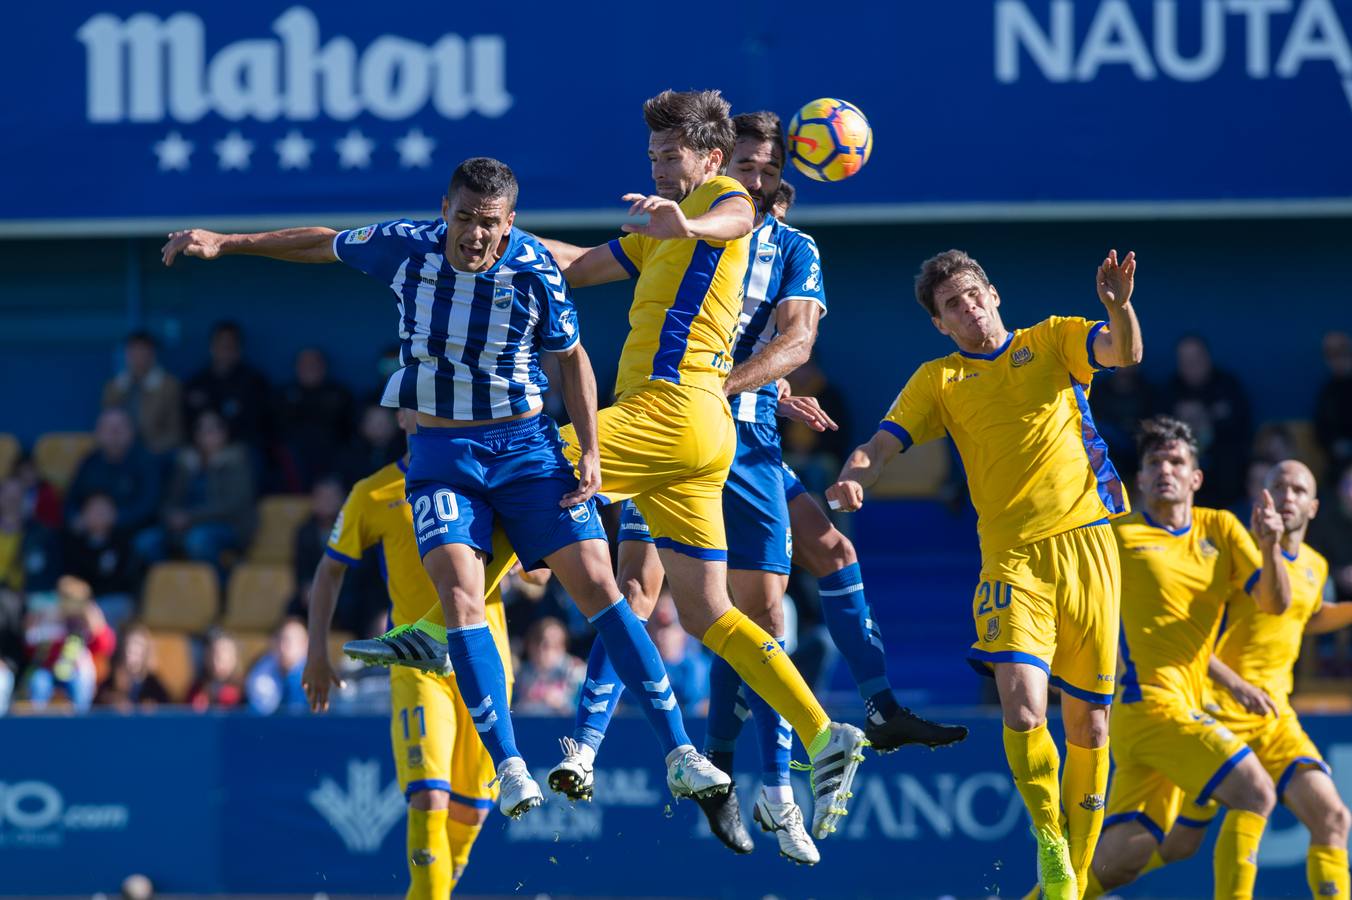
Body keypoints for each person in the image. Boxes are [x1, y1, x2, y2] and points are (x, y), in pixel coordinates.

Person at [162, 154, 730, 821]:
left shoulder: (534, 268)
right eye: (463, 218)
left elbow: (572, 358)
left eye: (488, 223)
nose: (473, 235)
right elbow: (322, 243)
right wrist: (227, 243)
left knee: (602, 588)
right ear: (445, 210)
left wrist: (594, 453)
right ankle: (510, 765)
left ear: (509, 222)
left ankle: (682, 754)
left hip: (528, 450)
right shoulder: (408, 248)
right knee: (461, 595)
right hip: (441, 455)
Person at [556, 110, 959, 862]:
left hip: (738, 439)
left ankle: (775, 785)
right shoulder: (687, 220)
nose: (756, 177)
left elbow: (798, 340)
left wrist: (734, 388)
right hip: (678, 423)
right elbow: (588, 262)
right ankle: (588, 746)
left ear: (784, 179)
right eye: (746, 163)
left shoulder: (791, 248)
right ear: (721, 162)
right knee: (641, 586)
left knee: (759, 608)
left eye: (769, 169)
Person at [826, 248, 1142, 898]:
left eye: (972, 295)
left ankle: (1075, 882)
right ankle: (1051, 842)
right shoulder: (939, 380)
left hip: (1088, 546)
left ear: (992, 293)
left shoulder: (1052, 340)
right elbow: (880, 444)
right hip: (1013, 561)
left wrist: (1118, 305)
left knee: (1091, 726)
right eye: (951, 306)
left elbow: (1123, 351)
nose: (967, 309)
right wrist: (856, 478)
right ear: (941, 324)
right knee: (1024, 710)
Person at [304, 405, 516, 898]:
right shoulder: (372, 492)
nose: (429, 412)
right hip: (417, 663)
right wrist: (317, 651)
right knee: (428, 797)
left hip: (486, 659)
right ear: (401, 418)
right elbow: (330, 569)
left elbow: (531, 556)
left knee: (470, 811)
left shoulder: (479, 477)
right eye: (418, 404)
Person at [1083, 417, 1290, 900]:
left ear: (1196, 477)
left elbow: (1275, 604)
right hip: (1150, 705)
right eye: (1155, 462)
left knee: (1120, 862)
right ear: (1139, 478)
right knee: (1256, 792)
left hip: (1176, 710)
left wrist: (1271, 545)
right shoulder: (1118, 536)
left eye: (1177, 461)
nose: (1165, 470)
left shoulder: (1221, 528)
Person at [1146, 460, 1352, 900]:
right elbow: (1189, 631)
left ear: (1314, 507)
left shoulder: (1316, 566)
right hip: (1218, 709)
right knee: (1175, 844)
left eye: (1298, 490)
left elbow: (1306, 619)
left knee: (1333, 817)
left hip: (1276, 718)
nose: (1287, 496)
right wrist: (1234, 684)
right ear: (1262, 493)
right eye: (1278, 486)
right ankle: (1076, 885)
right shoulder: (1235, 552)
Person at [139, 410, 256, 565]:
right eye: (202, 429)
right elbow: (169, 499)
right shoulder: (186, 463)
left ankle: (219, 586)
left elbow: (232, 505)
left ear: (224, 432)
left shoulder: (237, 461)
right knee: (146, 542)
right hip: (184, 526)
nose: (207, 434)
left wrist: (190, 518)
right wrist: (170, 516)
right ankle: (170, 584)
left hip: (228, 525)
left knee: (198, 540)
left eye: (213, 428)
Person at [1159, 334, 1253, 508]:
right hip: (1185, 478)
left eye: (1196, 359)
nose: (1191, 365)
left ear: (1207, 357)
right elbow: (1157, 436)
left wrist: (1207, 418)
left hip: (1226, 476)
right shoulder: (1170, 392)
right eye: (1185, 360)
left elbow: (1243, 429)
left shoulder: (1227, 386)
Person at [64, 407, 163, 534]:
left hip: (131, 528)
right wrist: (77, 518)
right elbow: (71, 499)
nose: (115, 433)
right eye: (108, 429)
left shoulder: (146, 461)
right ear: (97, 433)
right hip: (90, 525)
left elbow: (149, 505)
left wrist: (115, 519)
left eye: (120, 428)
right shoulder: (89, 462)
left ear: (131, 432)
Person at [182, 320, 273, 453]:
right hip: (200, 448)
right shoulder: (197, 382)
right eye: (221, 344)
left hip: (240, 445)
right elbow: (187, 421)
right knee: (186, 460)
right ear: (212, 347)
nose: (225, 350)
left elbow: (260, 425)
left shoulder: (255, 381)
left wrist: (223, 435)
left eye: (230, 346)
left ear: (239, 349)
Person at [273, 347, 355, 491]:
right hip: (294, 464)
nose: (309, 368)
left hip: (332, 460)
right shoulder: (284, 395)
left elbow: (350, 433)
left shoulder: (339, 394)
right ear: (297, 368)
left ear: (323, 367)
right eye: (304, 364)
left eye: (314, 364)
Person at [102, 330, 183, 455]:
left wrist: (149, 452)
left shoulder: (170, 387)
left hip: (156, 453)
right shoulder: (114, 386)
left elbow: (175, 432)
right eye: (133, 351)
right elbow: (106, 426)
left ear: (152, 354)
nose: (138, 356)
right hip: (119, 454)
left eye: (143, 351)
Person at [515, 616, 586, 716]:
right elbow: (511, 710)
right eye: (540, 643)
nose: (544, 651)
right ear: (530, 646)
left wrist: (563, 704)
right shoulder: (520, 675)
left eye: (555, 645)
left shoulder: (578, 673)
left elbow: (589, 711)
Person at [94, 621, 172, 708]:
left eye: (137, 645)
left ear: (145, 650)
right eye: (127, 644)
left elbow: (168, 709)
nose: (130, 650)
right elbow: (97, 707)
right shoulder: (109, 683)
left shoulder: (154, 684)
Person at [1315, 331, 1352, 477]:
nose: (1337, 358)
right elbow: (1321, 431)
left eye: (1342, 351)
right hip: (1339, 468)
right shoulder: (1328, 392)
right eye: (1331, 354)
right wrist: (1335, 445)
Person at [188, 628, 244, 711]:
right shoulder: (197, 691)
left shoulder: (243, 691)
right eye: (213, 654)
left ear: (234, 657)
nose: (216, 661)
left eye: (224, 655)